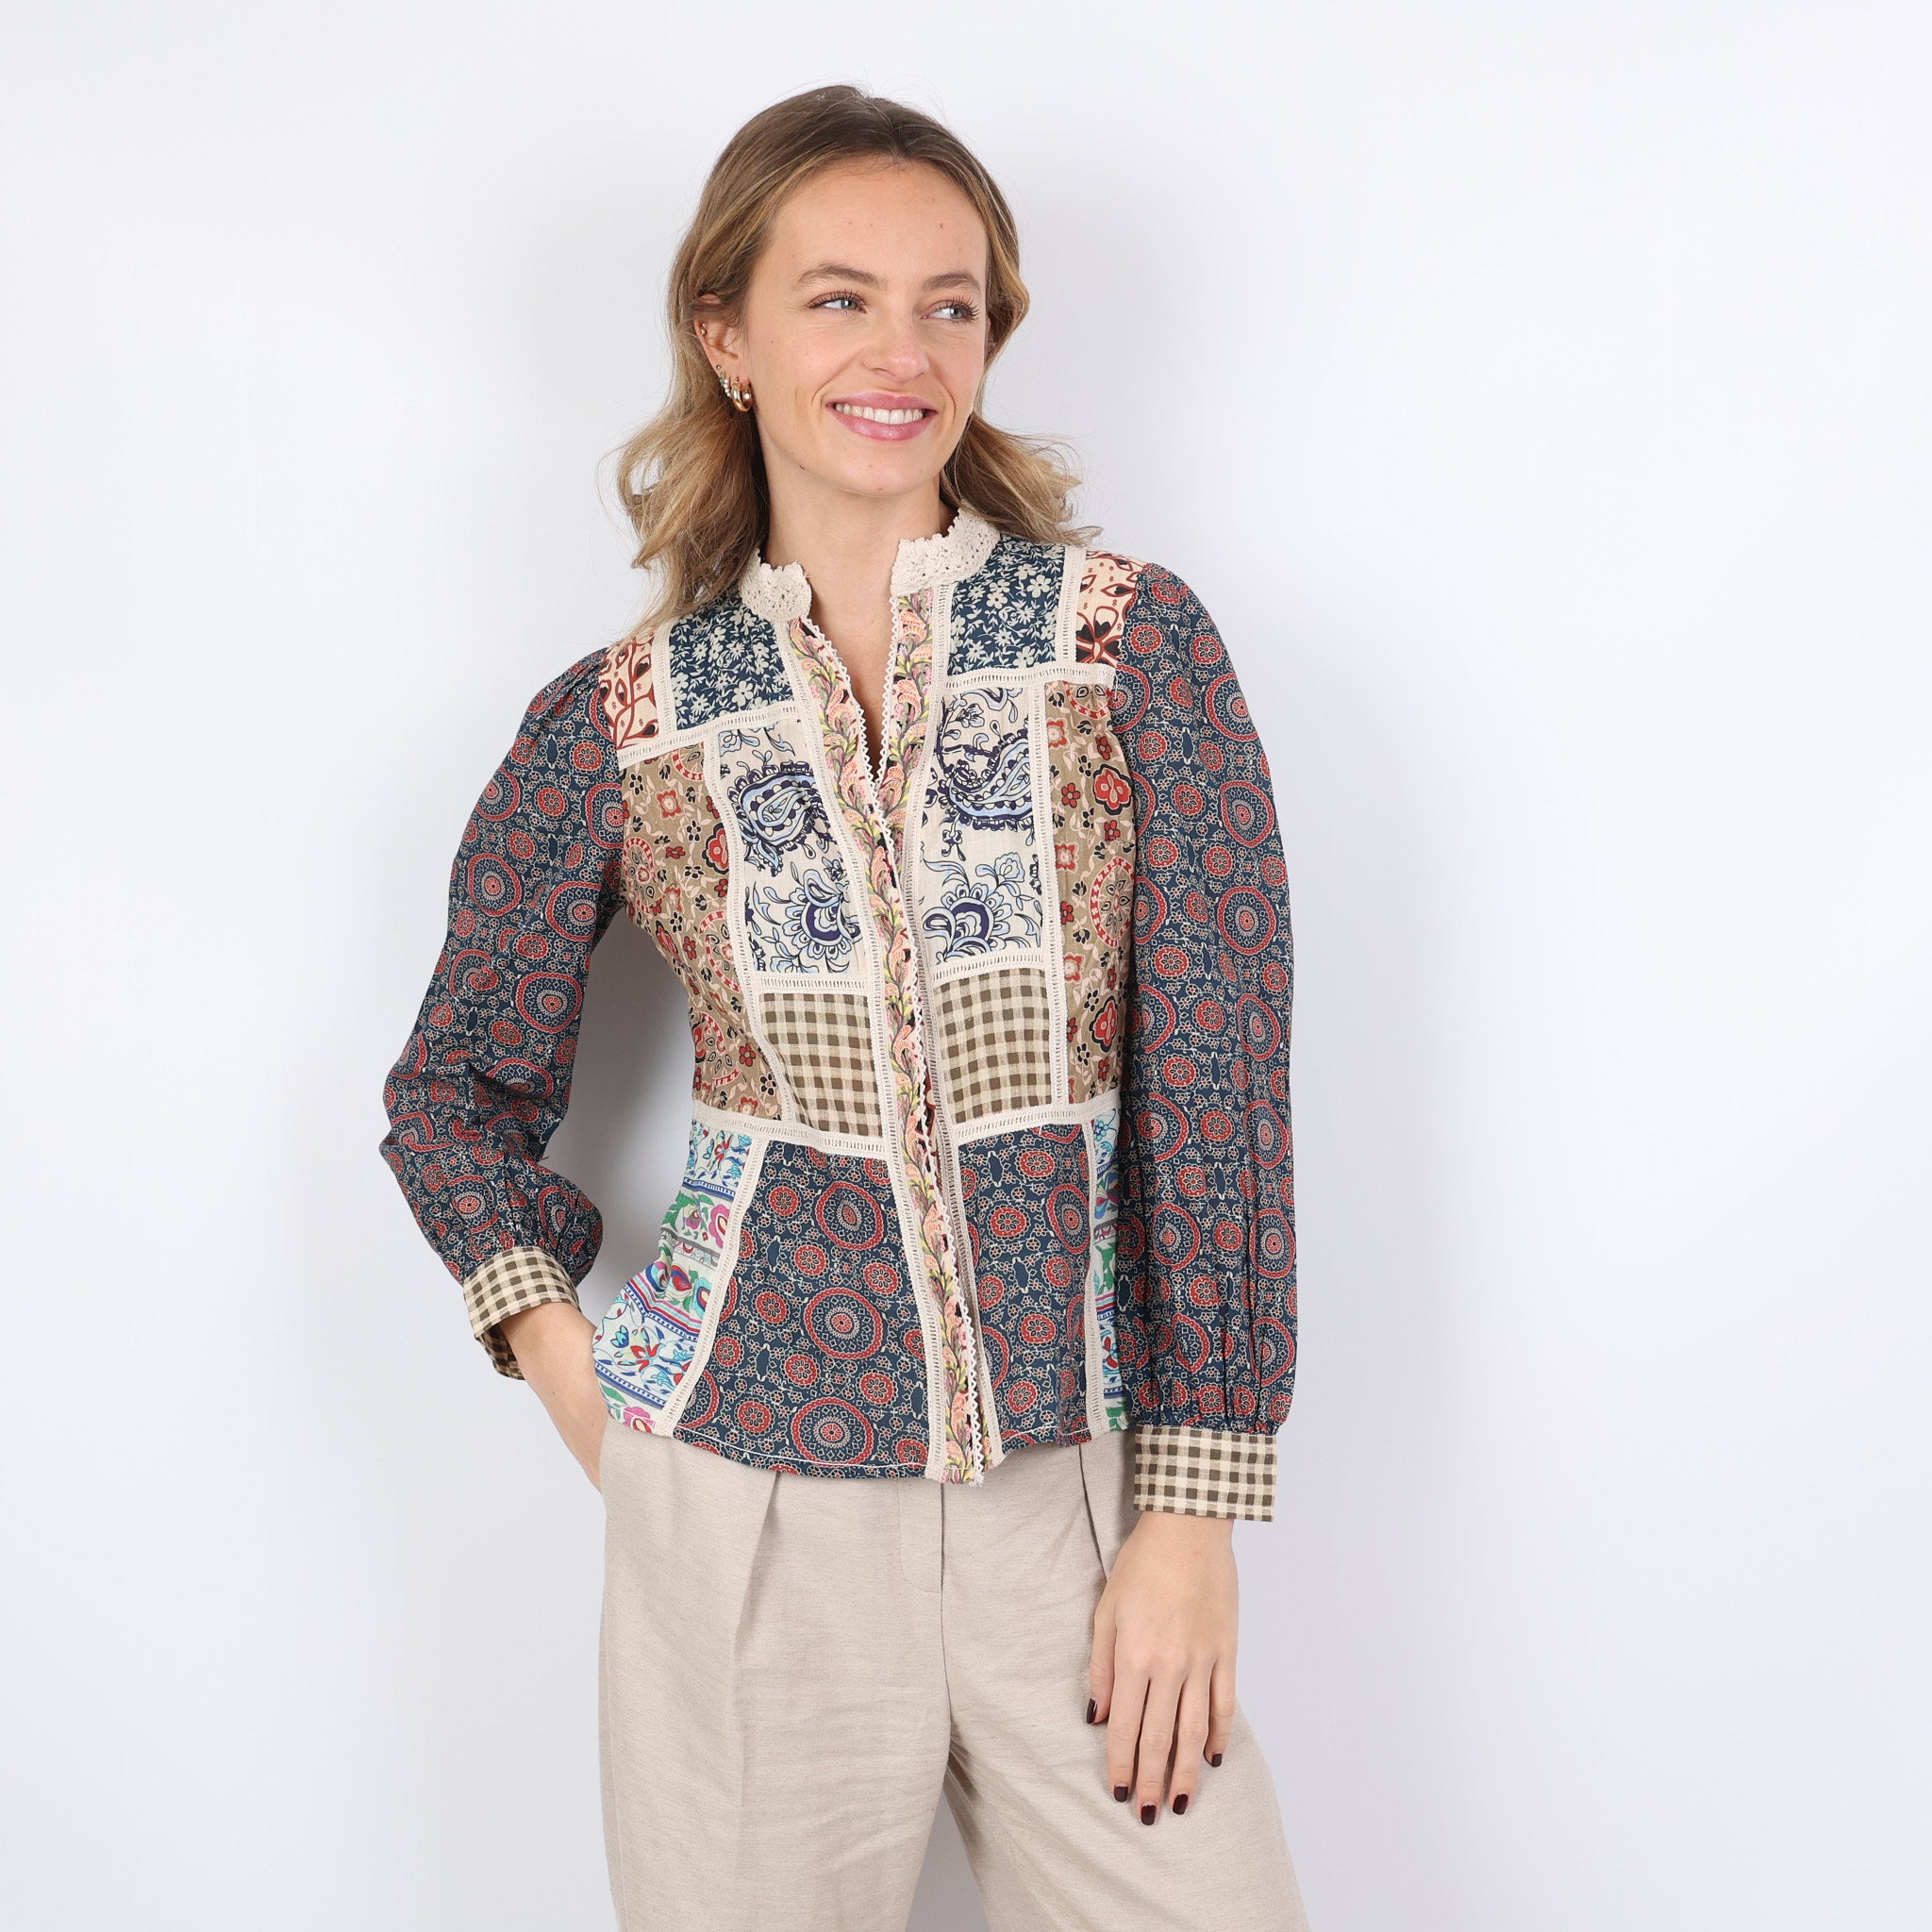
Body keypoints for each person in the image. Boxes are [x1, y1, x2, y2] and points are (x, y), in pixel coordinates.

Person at [379, 82, 1310, 1932]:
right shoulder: (623, 722)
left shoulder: (1132, 652)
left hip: (1077, 1502)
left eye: (948, 304)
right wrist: (587, 1395)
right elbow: (451, 1091)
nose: (903, 353)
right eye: (840, 299)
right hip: (741, 1520)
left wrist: (1193, 1511)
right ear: (725, 335)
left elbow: (1218, 1079)